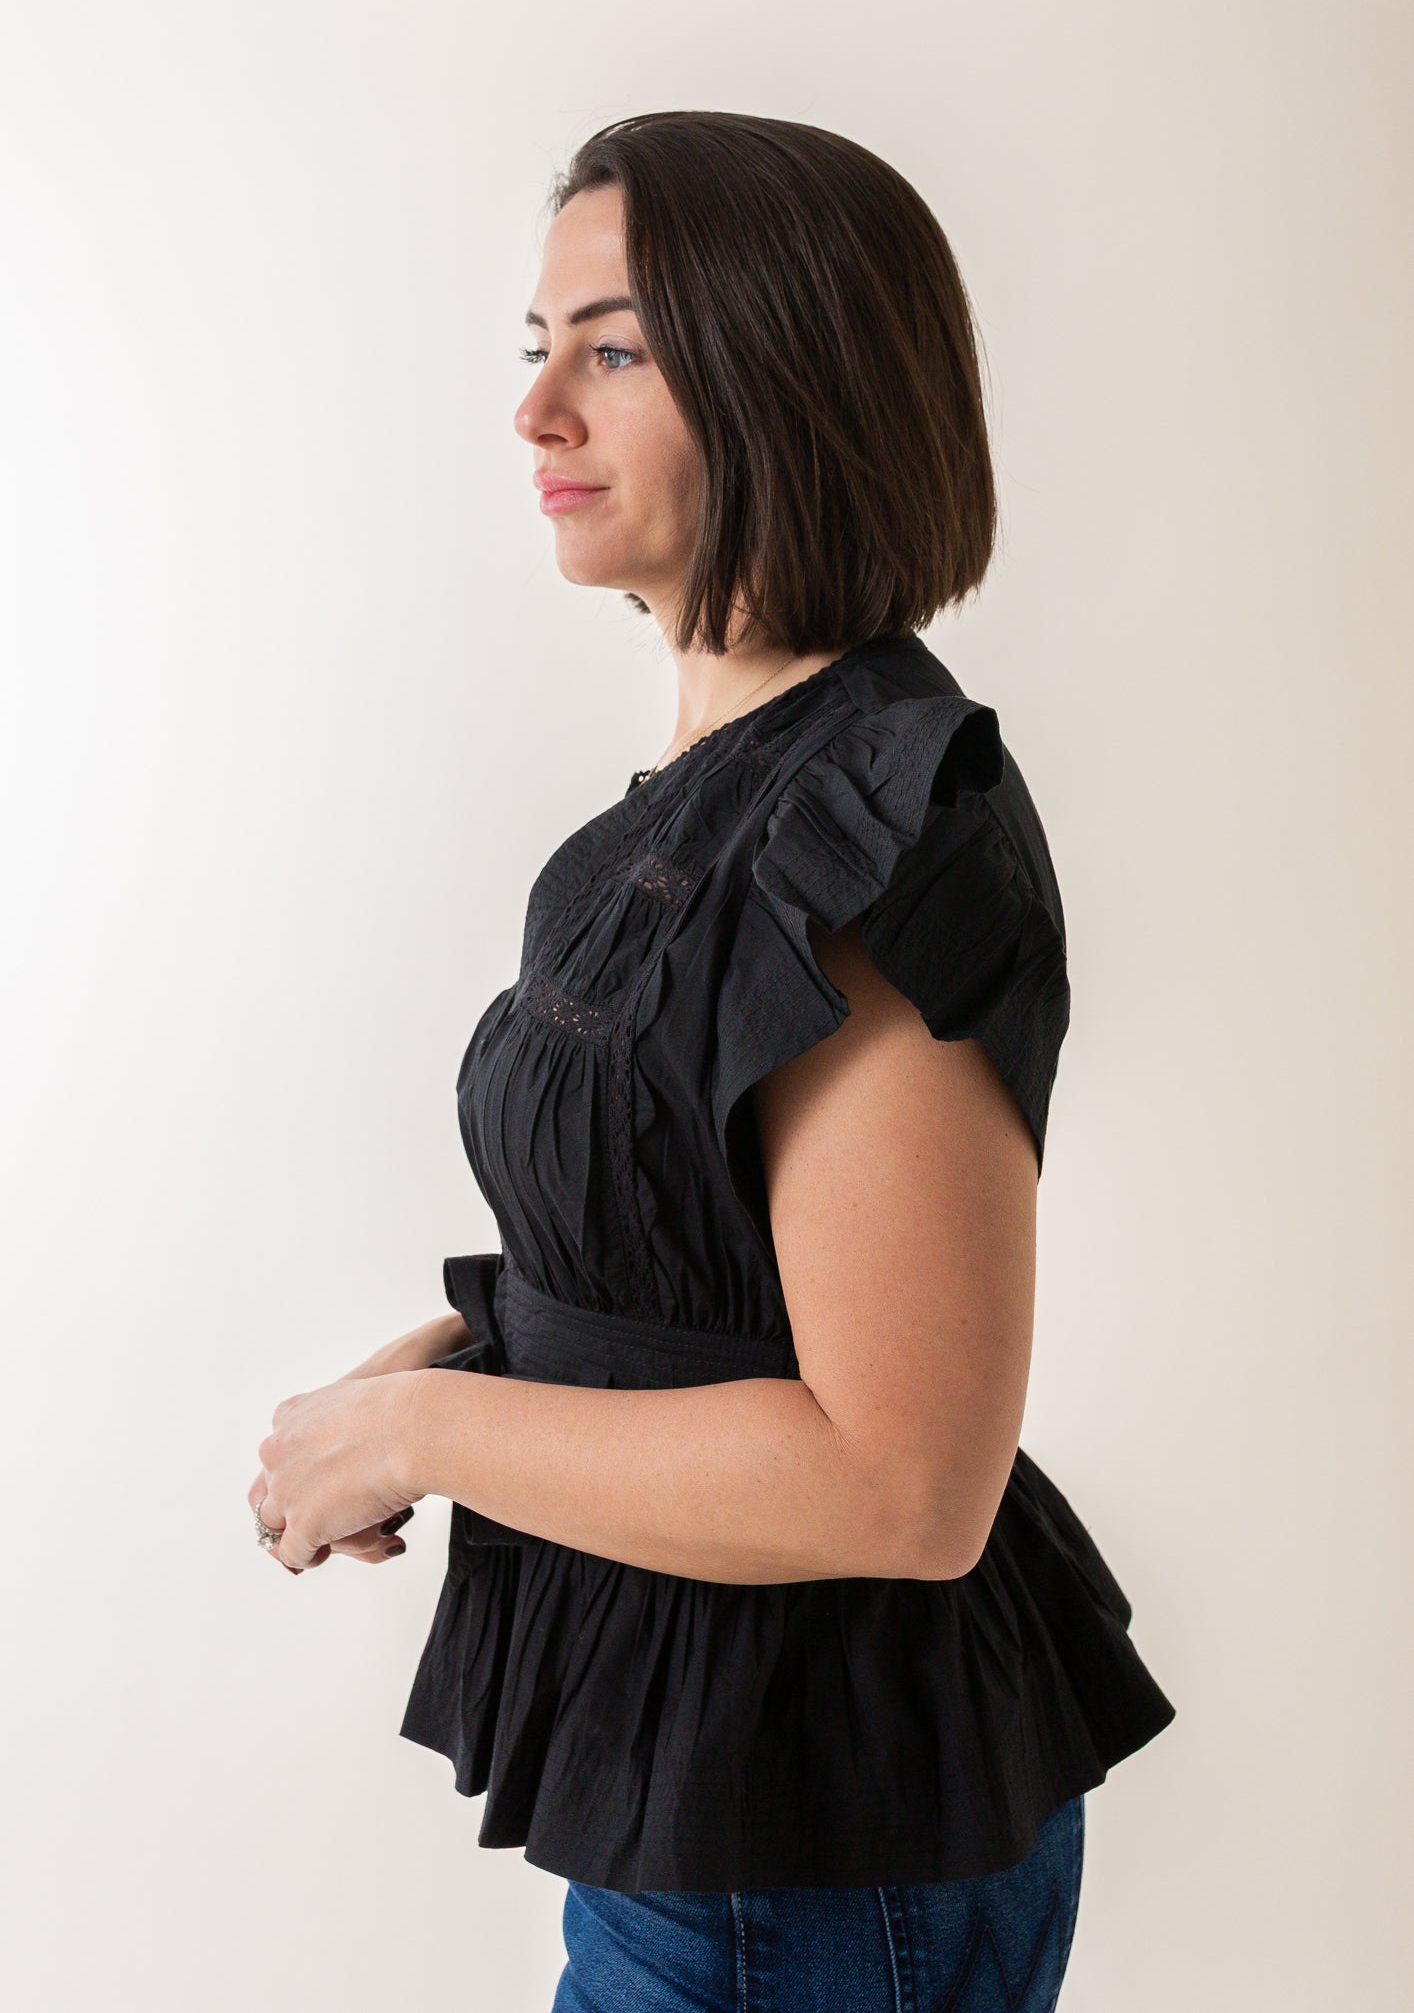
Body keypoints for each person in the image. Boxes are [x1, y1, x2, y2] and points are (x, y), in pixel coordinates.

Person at [249, 110, 1175, 2011]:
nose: (536, 413)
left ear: (787, 381)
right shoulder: (707, 800)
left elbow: (898, 1479)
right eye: (538, 348)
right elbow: (687, 1257)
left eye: (614, 352)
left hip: (811, 1843)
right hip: (722, 1804)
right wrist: (452, 1362)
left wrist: (427, 1438)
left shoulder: (877, 822)